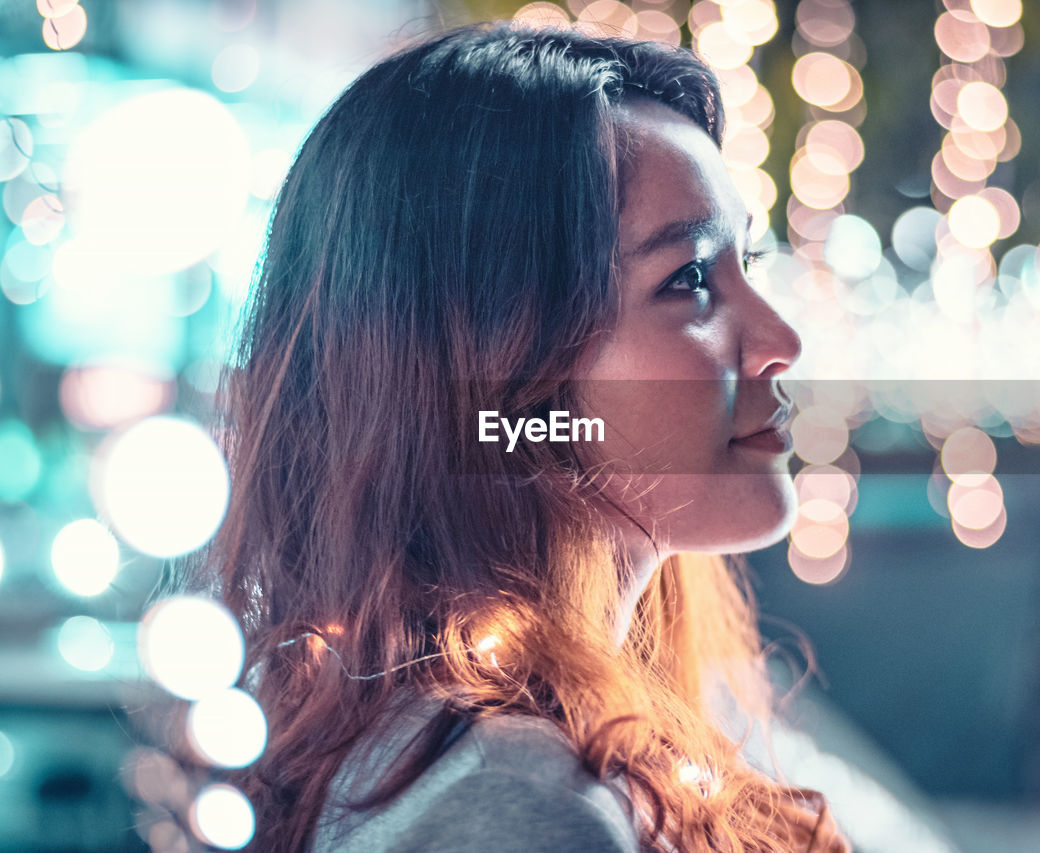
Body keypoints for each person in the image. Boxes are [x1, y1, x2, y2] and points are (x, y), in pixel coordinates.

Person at [189, 18, 852, 852]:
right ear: (499, 364)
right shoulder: (514, 799)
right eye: (687, 279)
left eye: (745, 265)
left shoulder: (497, 749)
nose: (781, 337)